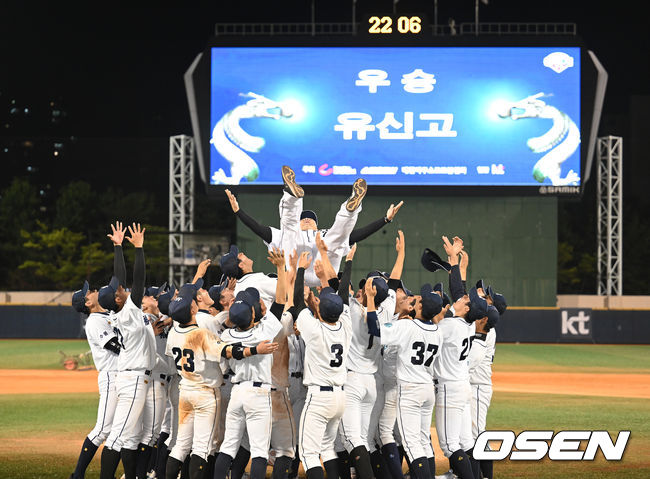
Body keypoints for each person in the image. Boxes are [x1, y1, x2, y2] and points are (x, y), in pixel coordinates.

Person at [164, 280, 278, 479]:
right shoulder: (201, 334)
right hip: (205, 393)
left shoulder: (174, 332)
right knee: (202, 448)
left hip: (185, 389)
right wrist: (255, 350)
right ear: (193, 308)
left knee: (181, 445)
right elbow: (228, 352)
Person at [225, 165, 403, 287]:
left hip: (323, 270)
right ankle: (292, 196)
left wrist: (385, 220)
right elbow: (259, 229)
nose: (307, 220)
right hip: (296, 269)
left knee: (336, 237)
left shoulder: (322, 233)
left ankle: (351, 207)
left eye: (311, 219)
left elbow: (355, 235)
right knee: (288, 230)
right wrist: (238, 212)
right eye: (304, 219)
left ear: (317, 224)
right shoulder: (293, 232)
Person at [213, 248, 288, 479]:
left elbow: (227, 352)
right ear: (254, 315)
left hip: (237, 392)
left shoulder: (227, 335)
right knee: (258, 451)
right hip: (259, 394)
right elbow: (281, 301)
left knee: (228, 447)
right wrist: (281, 269)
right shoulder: (265, 330)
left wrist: (249, 351)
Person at [368, 283, 446, 479]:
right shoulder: (438, 332)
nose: (416, 299)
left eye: (419, 300)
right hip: (428, 389)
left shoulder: (407, 326)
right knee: (422, 440)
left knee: (411, 444)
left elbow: (374, 328)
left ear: (419, 307)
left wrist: (370, 300)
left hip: (410, 390)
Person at [98, 222, 156, 479]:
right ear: (119, 299)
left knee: (130, 439)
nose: (120, 287)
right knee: (117, 438)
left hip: (130, 376)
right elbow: (138, 279)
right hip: (133, 379)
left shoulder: (118, 309)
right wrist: (139, 249)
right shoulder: (129, 312)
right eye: (118, 290)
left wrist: (119, 246)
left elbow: (121, 279)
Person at [290, 244, 355, 479]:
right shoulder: (346, 325)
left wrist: (300, 270)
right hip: (340, 397)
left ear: (321, 309)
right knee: (328, 449)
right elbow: (344, 294)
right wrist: (348, 263)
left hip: (319, 398)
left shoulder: (315, 329)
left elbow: (298, 301)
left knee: (308, 454)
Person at [433, 236, 488, 479]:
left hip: (449, 389)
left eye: (467, 300)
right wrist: (453, 261)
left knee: (449, 446)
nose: (465, 297)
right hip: (463, 386)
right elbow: (459, 291)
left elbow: (457, 296)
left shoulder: (449, 326)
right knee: (466, 442)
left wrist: (455, 262)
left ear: (466, 309)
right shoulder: (465, 324)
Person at [69, 281, 120, 479]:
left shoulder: (107, 314)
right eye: (88, 293)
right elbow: (115, 346)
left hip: (122, 376)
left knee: (120, 430)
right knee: (102, 430)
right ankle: (78, 475)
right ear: (87, 303)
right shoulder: (94, 321)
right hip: (111, 377)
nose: (92, 291)